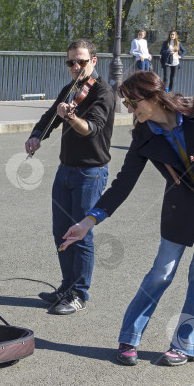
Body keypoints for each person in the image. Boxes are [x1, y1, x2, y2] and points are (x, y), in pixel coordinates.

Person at [61, 71, 194, 367]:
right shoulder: (143, 136)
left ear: (154, 97)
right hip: (180, 206)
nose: (130, 110)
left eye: (133, 102)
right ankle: (129, 337)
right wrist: (89, 221)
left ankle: (186, 344)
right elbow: (122, 183)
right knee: (161, 271)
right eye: (127, 104)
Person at [24, 38, 116, 315]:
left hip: (91, 172)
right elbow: (51, 115)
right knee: (60, 231)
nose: (76, 66)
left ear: (94, 62)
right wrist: (36, 136)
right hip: (65, 169)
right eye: (71, 62)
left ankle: (79, 293)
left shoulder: (104, 92)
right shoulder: (71, 89)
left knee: (82, 235)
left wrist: (72, 119)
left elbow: (92, 128)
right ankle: (66, 286)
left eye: (81, 61)